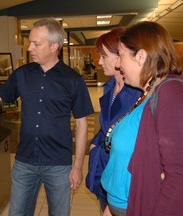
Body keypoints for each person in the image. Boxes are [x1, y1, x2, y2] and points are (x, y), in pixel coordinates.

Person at [0, 18, 94, 216]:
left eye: (36, 44)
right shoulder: (22, 74)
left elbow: (82, 124)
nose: (29, 48)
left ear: (54, 46)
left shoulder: (73, 79)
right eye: (30, 42)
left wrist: (78, 166)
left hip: (58, 164)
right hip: (25, 163)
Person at [101, 21, 183, 216]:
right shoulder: (149, 92)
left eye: (120, 55)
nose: (118, 64)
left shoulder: (170, 93)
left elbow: (178, 175)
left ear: (141, 56)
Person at [85, 27, 142, 212]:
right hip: (104, 169)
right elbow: (106, 126)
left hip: (125, 177)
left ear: (120, 57)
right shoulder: (109, 87)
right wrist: (94, 144)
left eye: (103, 56)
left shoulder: (139, 95)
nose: (99, 61)